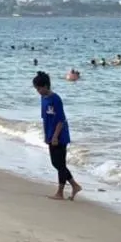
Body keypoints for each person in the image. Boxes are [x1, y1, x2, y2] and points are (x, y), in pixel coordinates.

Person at [33, 72, 80, 200]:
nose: (38, 91)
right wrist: (46, 134)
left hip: (60, 135)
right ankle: (75, 185)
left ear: (46, 86)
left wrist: (55, 136)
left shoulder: (56, 99)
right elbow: (45, 118)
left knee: (60, 163)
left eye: (39, 88)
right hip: (50, 133)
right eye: (36, 88)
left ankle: (60, 192)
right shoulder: (43, 99)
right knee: (56, 163)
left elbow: (61, 120)